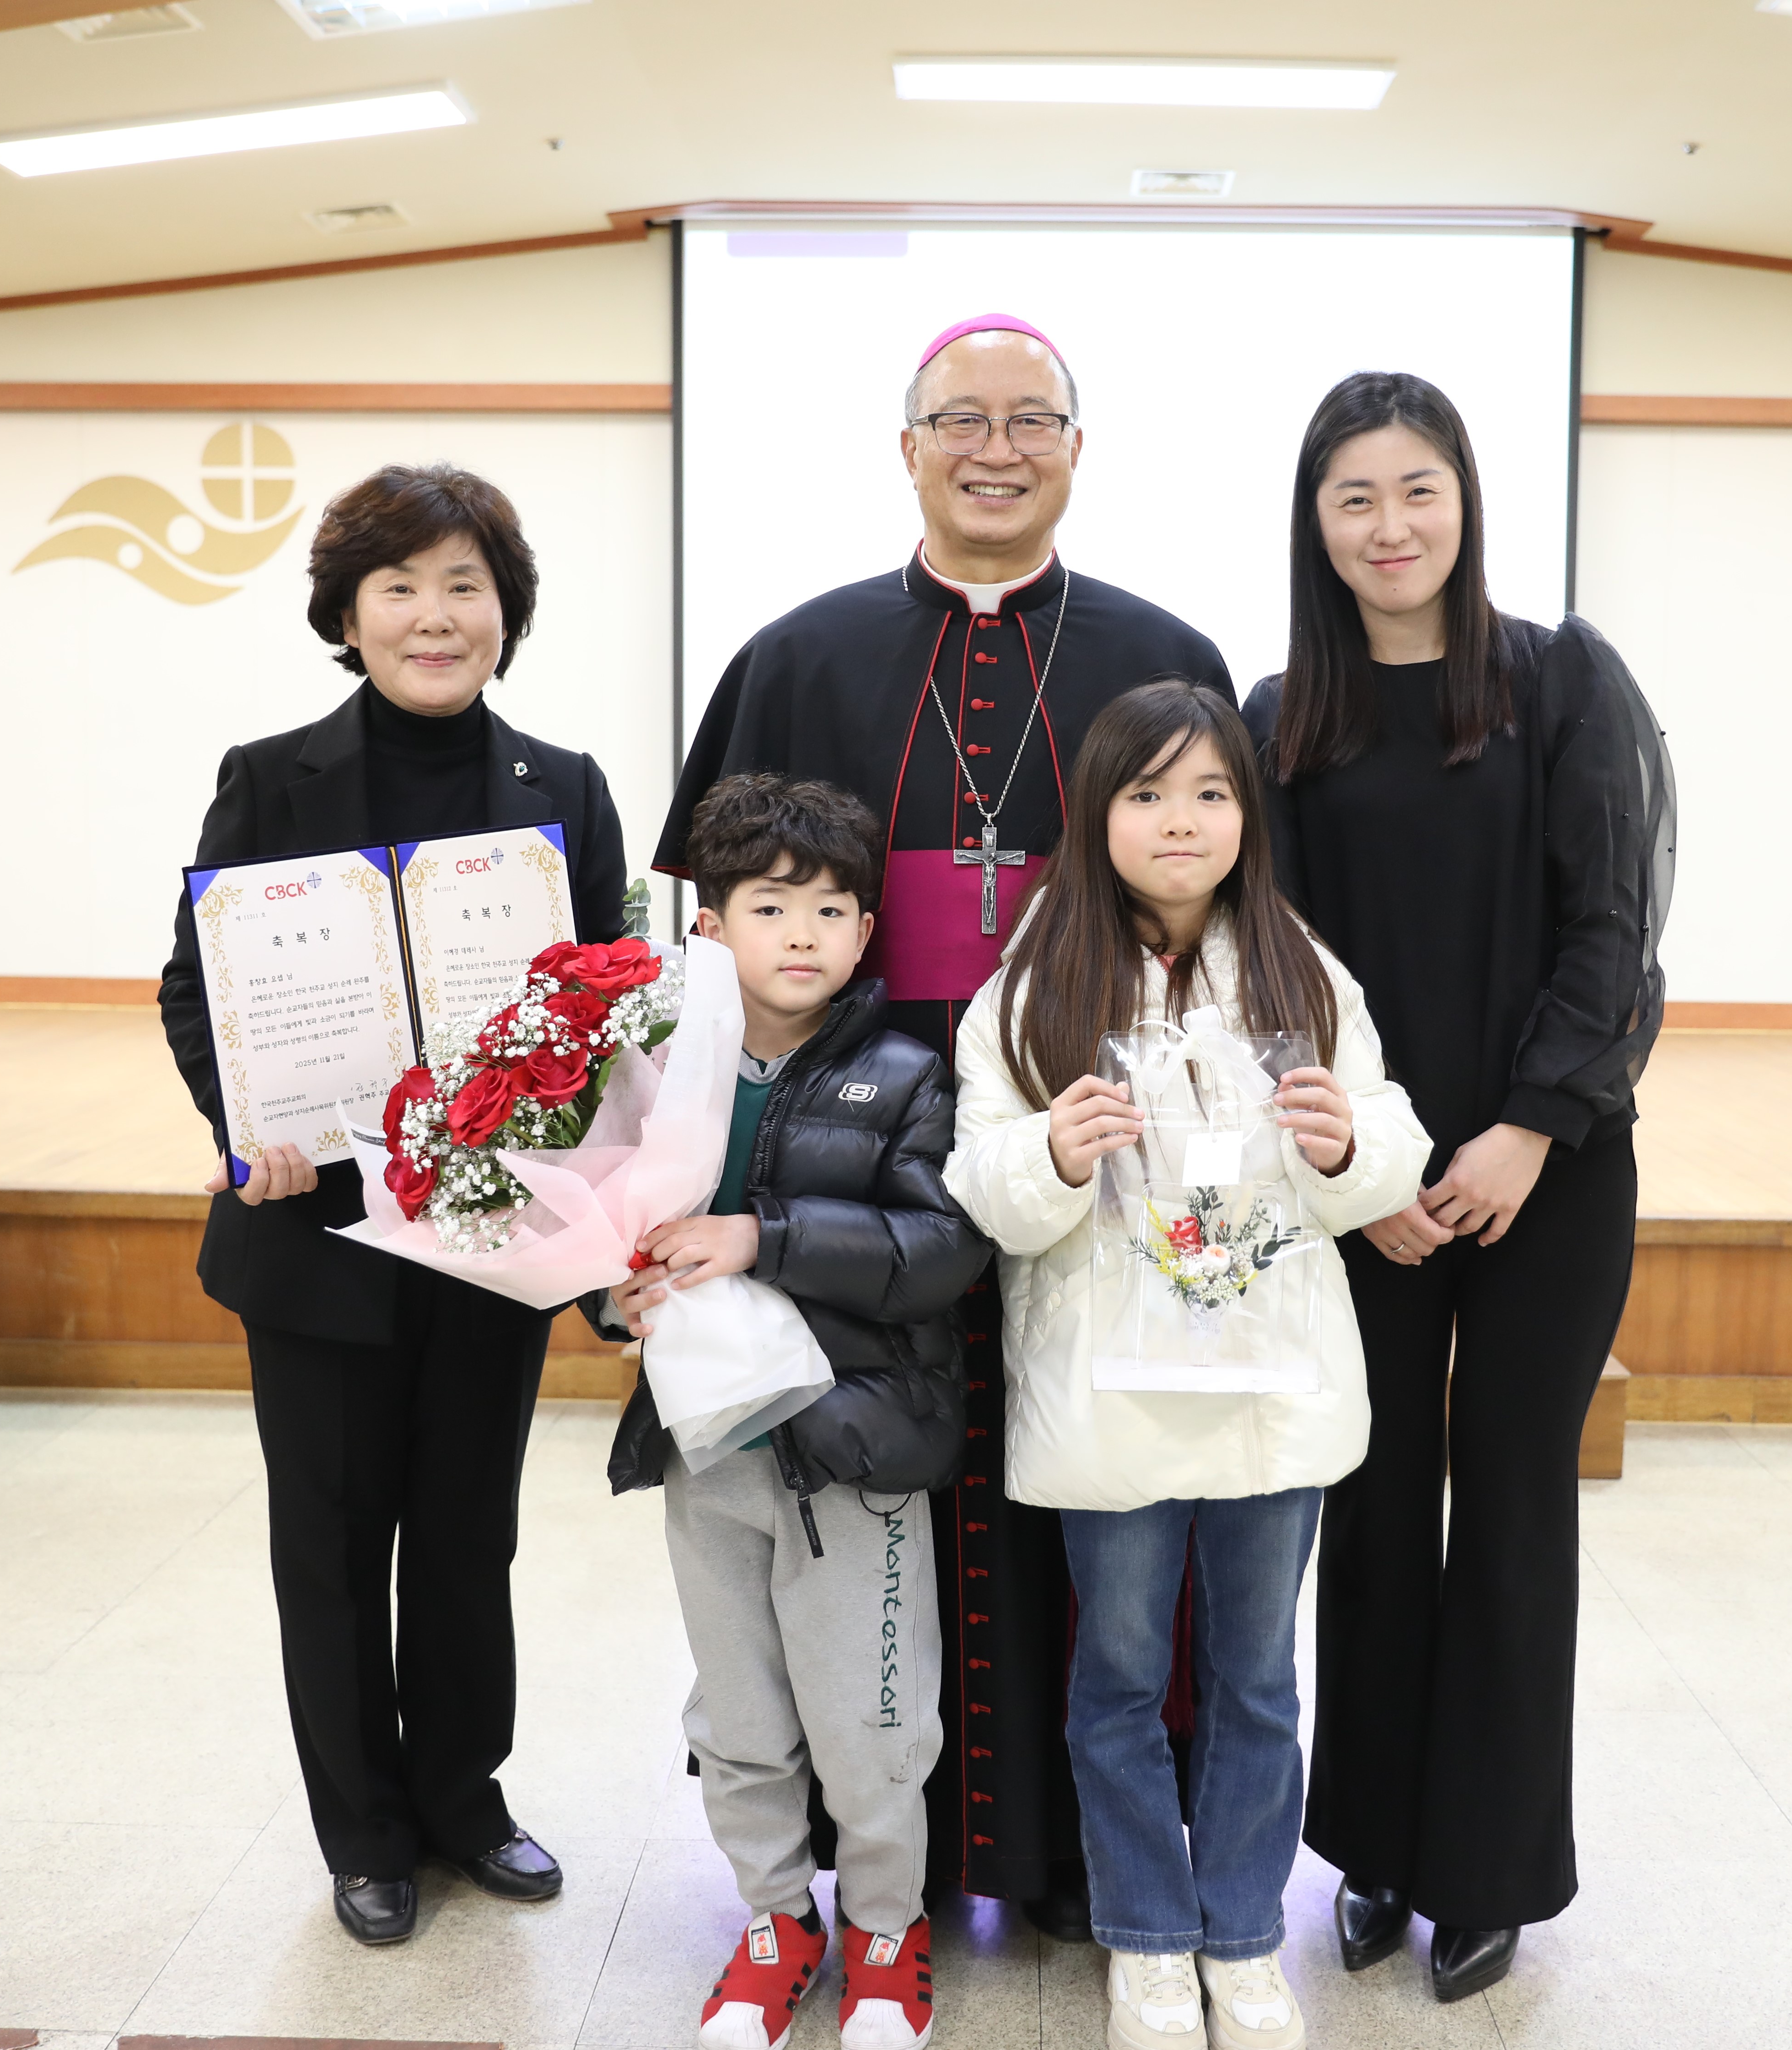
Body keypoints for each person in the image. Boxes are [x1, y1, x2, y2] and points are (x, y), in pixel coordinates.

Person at [654, 313, 1236, 1934]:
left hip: (1086, 1132)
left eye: (1029, 419)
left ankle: (1064, 1849)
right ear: (904, 443)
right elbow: (710, 932)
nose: (996, 447)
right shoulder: (794, 652)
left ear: (1074, 445)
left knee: (1079, 1479)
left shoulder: (1158, 649)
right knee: (862, 1481)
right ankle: (859, 1854)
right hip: (854, 1148)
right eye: (958, 420)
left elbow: (1223, 888)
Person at [1242, 372, 1675, 2002]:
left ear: (1465, 500)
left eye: (1416, 489)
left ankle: (1488, 1873)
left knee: (1506, 1508)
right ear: (1316, 525)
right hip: (1360, 1181)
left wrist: (1524, 1130)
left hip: (1543, 1172)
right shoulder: (1282, 713)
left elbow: (1611, 929)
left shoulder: (1560, 681)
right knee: (1364, 1509)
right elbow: (1264, 960)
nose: (1389, 526)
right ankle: (1371, 1852)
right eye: (1353, 498)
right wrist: (1371, 1167)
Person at [158, 463, 628, 1945]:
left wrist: (567, 1143)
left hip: (485, 1236)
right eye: (401, 588)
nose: (436, 616)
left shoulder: (565, 786)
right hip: (317, 1236)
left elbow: (607, 1006)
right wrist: (257, 1132)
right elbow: (199, 988)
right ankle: (362, 1829)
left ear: (508, 609)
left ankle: (462, 1802)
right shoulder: (268, 774)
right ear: (347, 616)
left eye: (465, 585)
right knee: (336, 1538)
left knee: (467, 1530)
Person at [943, 681, 1431, 2050]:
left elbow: (1385, 1141)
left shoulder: (1301, 971)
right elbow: (981, 1177)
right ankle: (1148, 1938)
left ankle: (1241, 1935)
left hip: (1267, 1393)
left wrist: (1346, 1147)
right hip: (1114, 1395)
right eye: (1146, 793)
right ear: (1096, 815)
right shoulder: (1033, 985)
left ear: (1245, 817)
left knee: (1257, 1682)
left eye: (1209, 793)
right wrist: (1051, 1153)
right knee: (1113, 1677)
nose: (1180, 820)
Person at [603, 773, 990, 2050]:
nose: (806, 934)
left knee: (874, 1721)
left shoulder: (906, 1075)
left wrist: (760, 1235)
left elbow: (940, 1249)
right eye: (771, 906)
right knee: (741, 1716)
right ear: (709, 926)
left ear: (869, 931)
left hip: (854, 1453)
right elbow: (597, 1236)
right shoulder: (656, 1078)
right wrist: (614, 1299)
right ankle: (775, 1923)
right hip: (707, 1453)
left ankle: (887, 1929)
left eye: (834, 908)